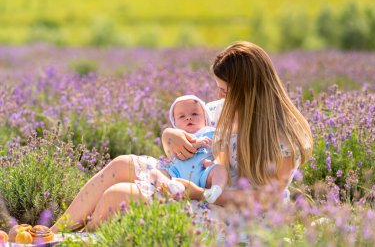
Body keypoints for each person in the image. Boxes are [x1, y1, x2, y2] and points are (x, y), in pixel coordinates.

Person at [50, 41, 312, 233]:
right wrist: (169, 135)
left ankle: (77, 238)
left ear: (248, 91)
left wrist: (200, 194)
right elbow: (182, 134)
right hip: (194, 184)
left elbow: (262, 202)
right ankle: (53, 232)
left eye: (225, 90)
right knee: (121, 164)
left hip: (233, 216)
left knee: (119, 195)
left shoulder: (283, 140)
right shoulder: (221, 111)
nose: (219, 97)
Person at [148, 94, 227, 203]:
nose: (189, 118)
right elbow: (174, 153)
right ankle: (170, 186)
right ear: (175, 123)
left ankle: (215, 190)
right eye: (182, 116)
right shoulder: (179, 136)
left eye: (194, 114)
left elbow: (221, 150)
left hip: (203, 173)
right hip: (177, 173)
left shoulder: (210, 132)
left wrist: (215, 161)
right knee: (154, 173)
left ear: (205, 118)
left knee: (220, 170)